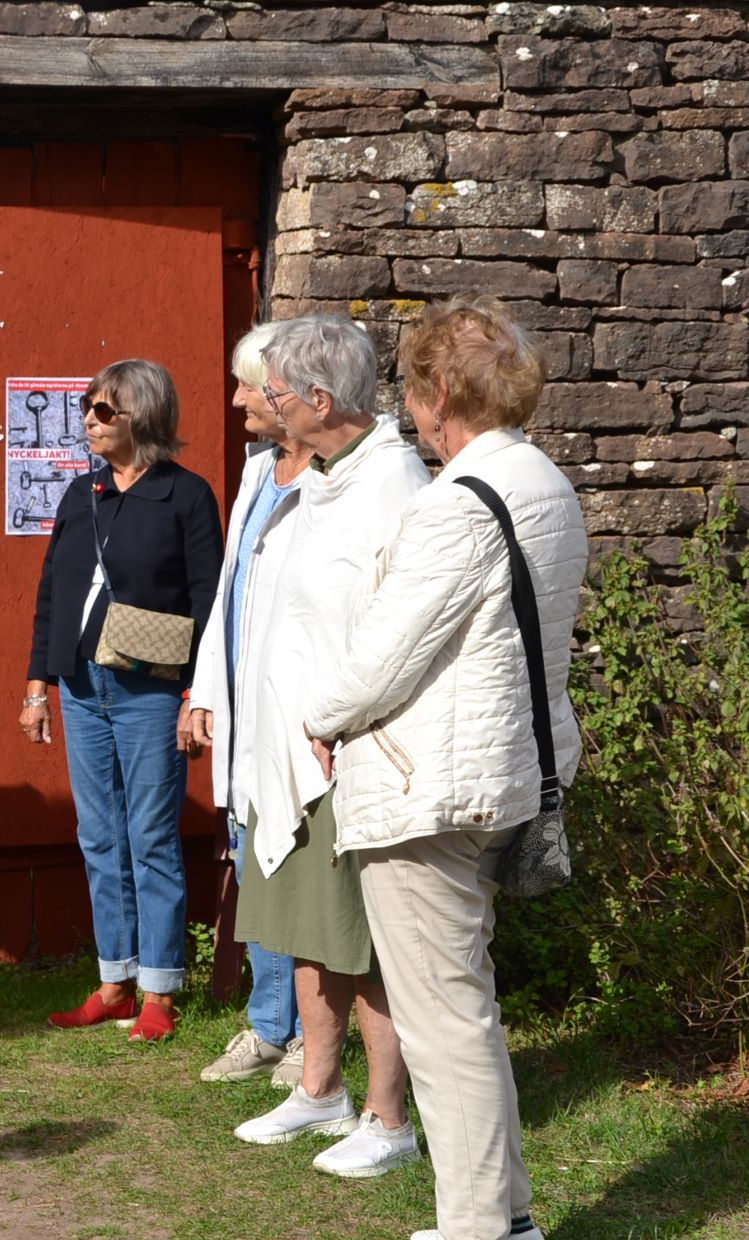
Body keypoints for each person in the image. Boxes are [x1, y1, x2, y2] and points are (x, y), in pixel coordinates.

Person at [303, 297, 585, 1240]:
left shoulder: (458, 503)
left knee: (442, 1023)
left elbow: (382, 657)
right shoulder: (544, 482)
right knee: (467, 1007)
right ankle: (510, 1221)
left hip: (429, 786)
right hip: (496, 775)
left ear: (442, 395)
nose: (412, 411)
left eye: (416, 390)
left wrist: (318, 714)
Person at [229, 316, 429, 1178]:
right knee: (307, 924)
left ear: (318, 398)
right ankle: (320, 1087)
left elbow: (392, 631)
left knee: (365, 938)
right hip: (290, 746)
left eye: (274, 392)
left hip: (349, 752)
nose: (264, 404)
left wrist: (340, 723)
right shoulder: (318, 479)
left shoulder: (391, 483)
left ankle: (389, 1115)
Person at [21, 358, 222, 1042]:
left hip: (151, 689)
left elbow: (208, 600)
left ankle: (159, 992)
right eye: (87, 406)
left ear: (144, 416)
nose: (89, 419)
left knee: (152, 836)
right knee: (99, 835)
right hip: (82, 686)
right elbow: (53, 592)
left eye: (104, 410)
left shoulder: (185, 496)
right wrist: (38, 686)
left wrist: (197, 692)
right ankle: (114, 983)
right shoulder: (84, 493)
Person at [189, 323, 308, 1087]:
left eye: (248, 386)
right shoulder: (259, 470)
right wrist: (206, 689)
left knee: (295, 875)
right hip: (242, 709)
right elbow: (230, 591)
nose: (236, 400)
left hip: (294, 713)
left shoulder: (326, 481)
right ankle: (269, 1025)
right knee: (252, 861)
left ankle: (307, 1038)